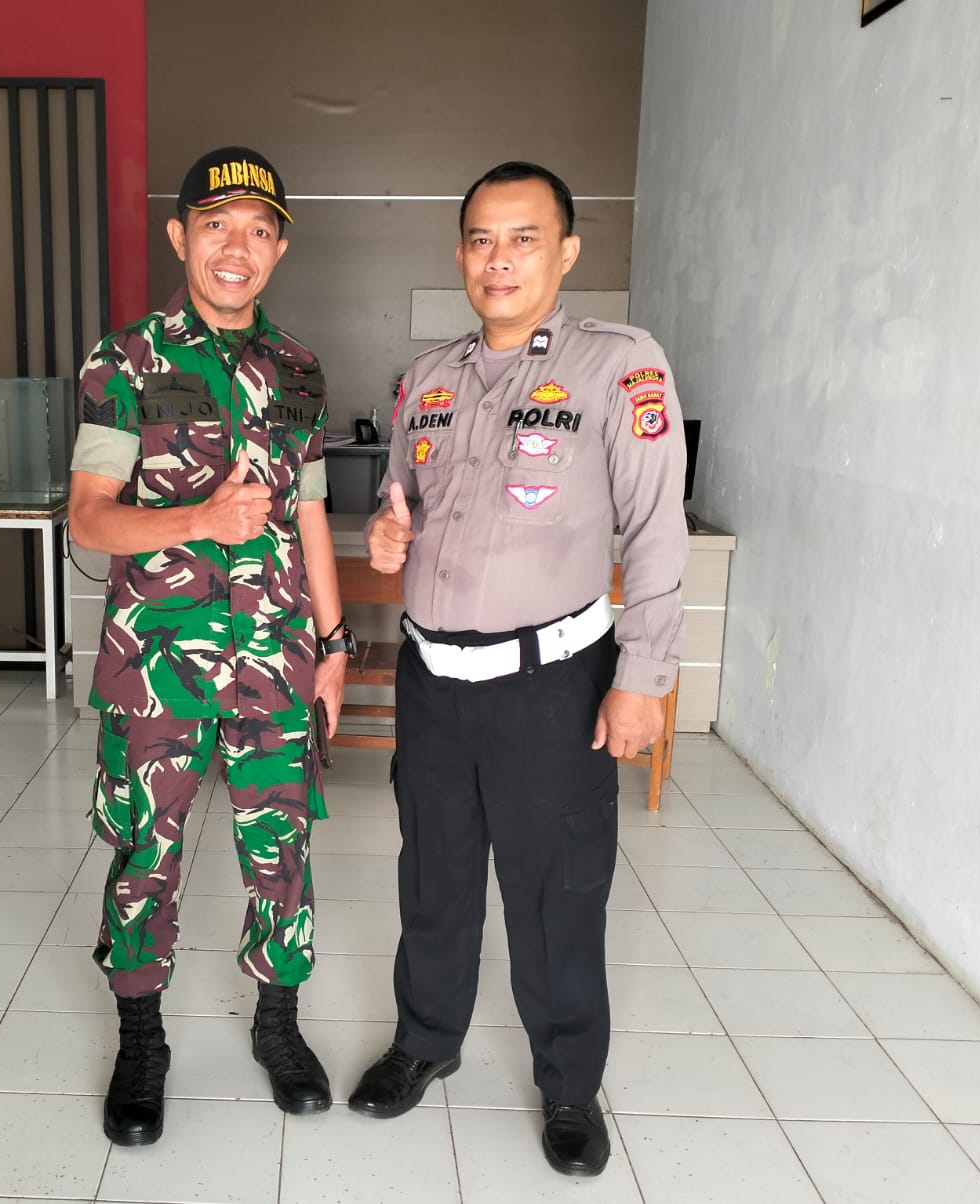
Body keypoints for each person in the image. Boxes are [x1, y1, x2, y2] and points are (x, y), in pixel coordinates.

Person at [346, 161, 687, 1178]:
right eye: (482, 240)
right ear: (461, 254)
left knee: (556, 892)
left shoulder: (618, 366)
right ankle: (425, 1040)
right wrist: (383, 537)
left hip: (552, 686)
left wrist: (644, 677)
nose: (499, 260)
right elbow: (399, 512)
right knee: (434, 875)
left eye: (524, 237)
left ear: (566, 251)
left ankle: (570, 1085)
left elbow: (656, 530)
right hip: (432, 681)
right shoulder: (425, 379)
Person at [68, 146, 351, 1147]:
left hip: (276, 658)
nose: (238, 246)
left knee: (283, 849)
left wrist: (334, 644)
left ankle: (278, 1023)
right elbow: (88, 518)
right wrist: (198, 520)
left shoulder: (300, 370)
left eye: (259, 229)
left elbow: (310, 516)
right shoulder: (124, 362)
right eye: (217, 224)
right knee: (145, 851)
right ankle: (140, 1040)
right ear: (180, 236)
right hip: (160, 665)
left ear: (279, 248)